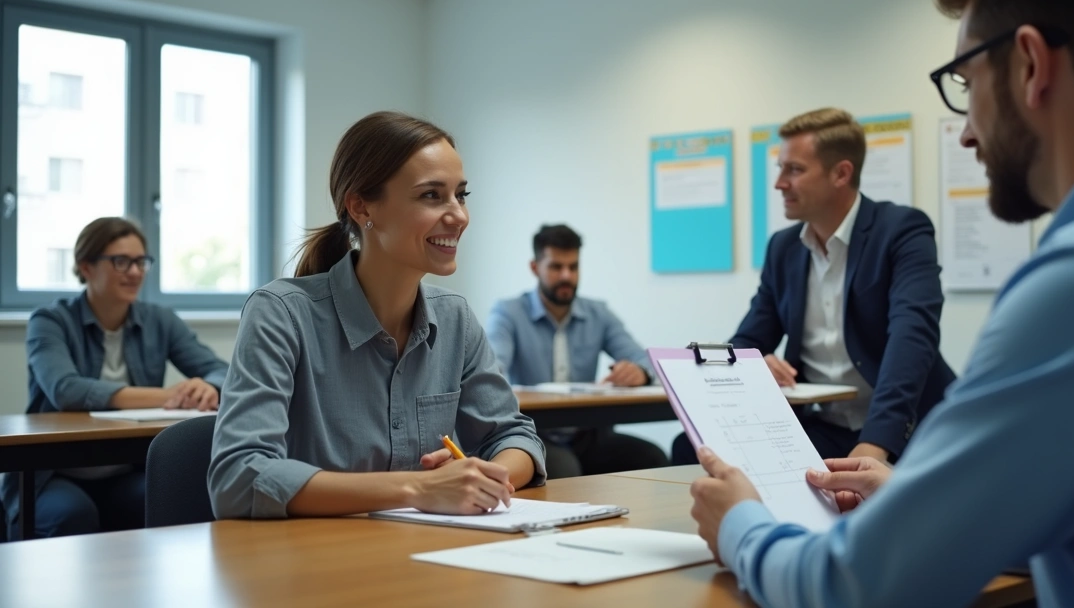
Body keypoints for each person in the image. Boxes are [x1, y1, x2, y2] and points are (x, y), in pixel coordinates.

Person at [689, 0, 1074, 606]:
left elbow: (858, 588)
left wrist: (742, 526)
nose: (965, 131)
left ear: (1030, 65)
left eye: (965, 84)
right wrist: (931, 504)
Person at [208, 112, 545, 519]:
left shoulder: (455, 318)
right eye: (431, 195)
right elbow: (239, 477)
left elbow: (513, 435)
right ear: (361, 206)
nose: (459, 215)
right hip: (314, 564)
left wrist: (485, 478)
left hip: (428, 557)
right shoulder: (280, 314)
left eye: (461, 194)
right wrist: (419, 488)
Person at [672, 108, 954, 466]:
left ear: (841, 173)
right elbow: (748, 341)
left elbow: (912, 337)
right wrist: (755, 364)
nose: (779, 184)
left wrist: (876, 443)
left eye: (795, 170)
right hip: (823, 425)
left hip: (905, 430)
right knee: (692, 448)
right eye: (780, 169)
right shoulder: (783, 248)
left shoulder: (902, 230)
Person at [4, 217, 229, 539]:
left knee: (184, 499)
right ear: (86, 266)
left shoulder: (159, 319)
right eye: (121, 261)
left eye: (141, 261)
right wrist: (170, 395)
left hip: (127, 467)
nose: (135, 272)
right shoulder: (50, 320)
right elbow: (66, 389)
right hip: (53, 473)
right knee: (73, 514)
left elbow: (222, 370)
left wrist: (209, 385)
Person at [485, 224, 669, 478]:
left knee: (653, 457)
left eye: (573, 267)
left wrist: (641, 373)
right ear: (535, 267)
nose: (566, 276)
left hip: (588, 434)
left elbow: (645, 359)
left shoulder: (598, 313)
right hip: (533, 434)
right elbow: (493, 371)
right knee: (565, 467)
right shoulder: (509, 313)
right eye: (555, 267)